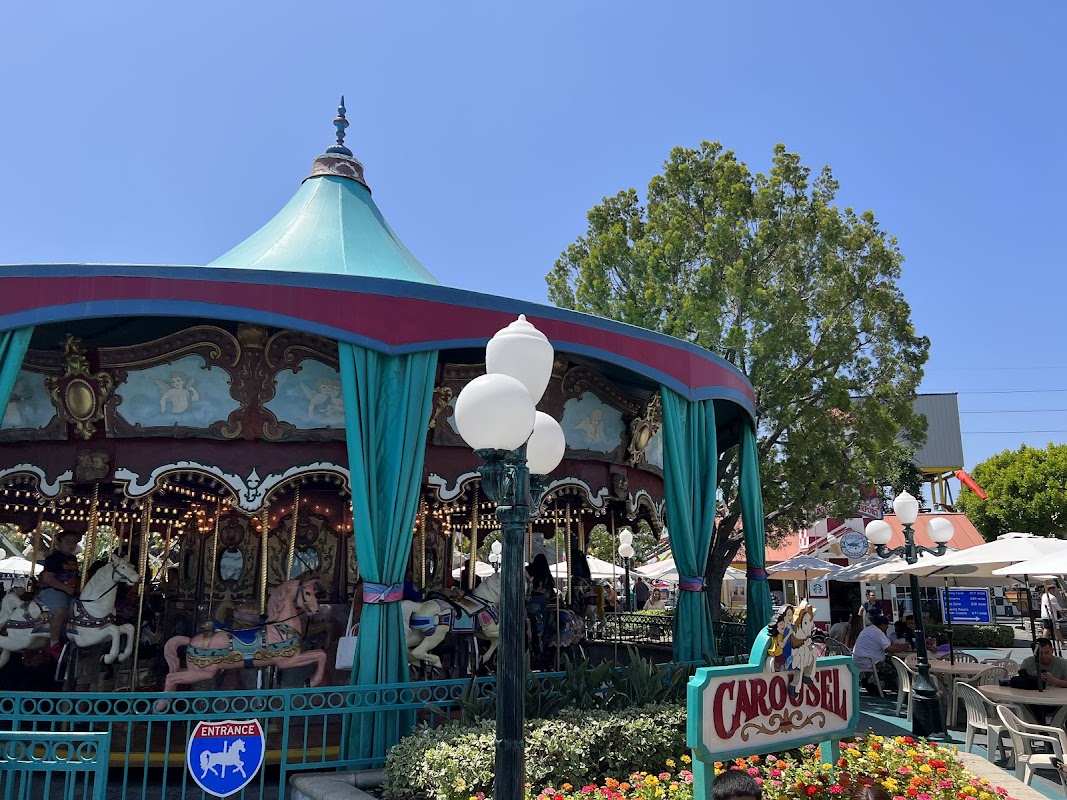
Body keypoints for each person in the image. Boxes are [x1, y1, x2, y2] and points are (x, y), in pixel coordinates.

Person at [38, 530, 82, 659]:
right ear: (59, 543)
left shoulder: (72, 559)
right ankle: (53, 643)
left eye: (74, 542)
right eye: (67, 541)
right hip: (52, 590)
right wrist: (65, 588)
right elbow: (47, 577)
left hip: (68, 592)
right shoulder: (54, 558)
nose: (71, 545)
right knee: (61, 610)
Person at [853, 614, 909, 691]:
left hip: (860, 660)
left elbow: (887, 644)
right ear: (882, 625)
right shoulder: (878, 632)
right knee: (897, 670)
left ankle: (874, 682)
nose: (887, 627)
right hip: (870, 662)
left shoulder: (868, 630)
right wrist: (903, 647)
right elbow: (890, 650)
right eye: (886, 625)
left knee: (890, 663)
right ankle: (871, 681)